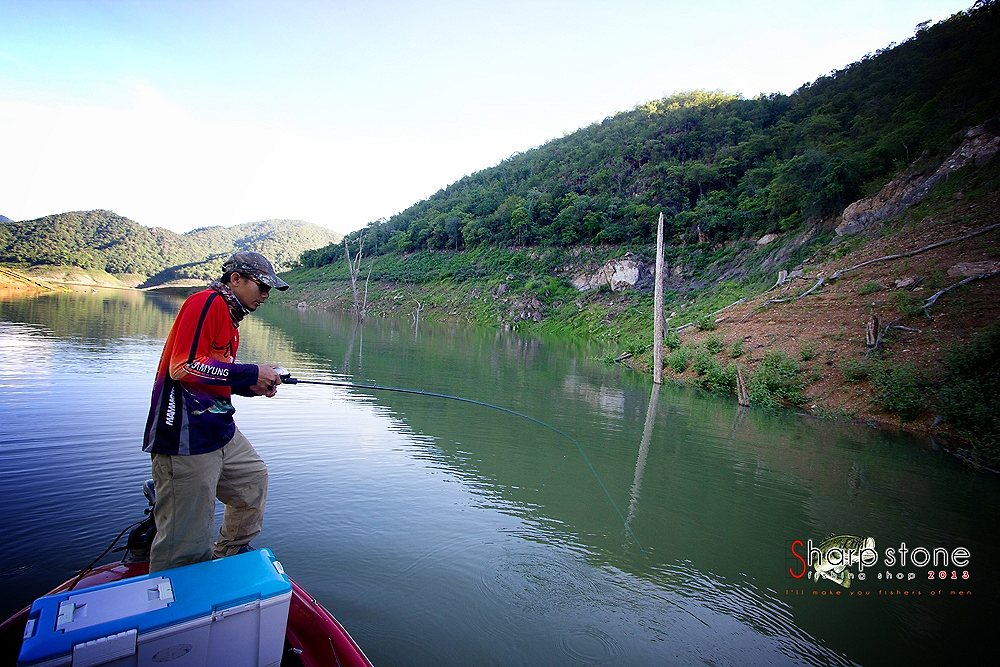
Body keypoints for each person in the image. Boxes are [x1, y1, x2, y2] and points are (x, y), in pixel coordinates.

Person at [142, 251, 289, 573]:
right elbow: (185, 367)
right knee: (186, 543)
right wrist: (250, 373)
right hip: (184, 433)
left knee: (252, 481)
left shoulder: (231, 317)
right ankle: (175, 604)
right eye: (261, 286)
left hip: (218, 428)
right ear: (235, 279)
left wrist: (246, 385)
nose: (265, 295)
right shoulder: (206, 302)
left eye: (269, 289)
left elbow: (212, 372)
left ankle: (228, 558)